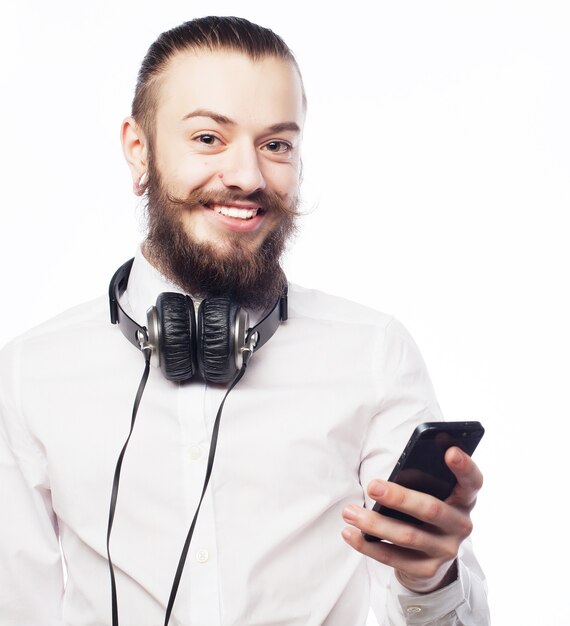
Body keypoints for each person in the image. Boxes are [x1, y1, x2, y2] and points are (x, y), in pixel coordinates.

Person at [0, 16, 490, 626]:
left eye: (276, 144)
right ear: (139, 149)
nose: (248, 177)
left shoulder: (373, 354)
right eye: (208, 138)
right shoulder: (29, 374)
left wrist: (430, 578)